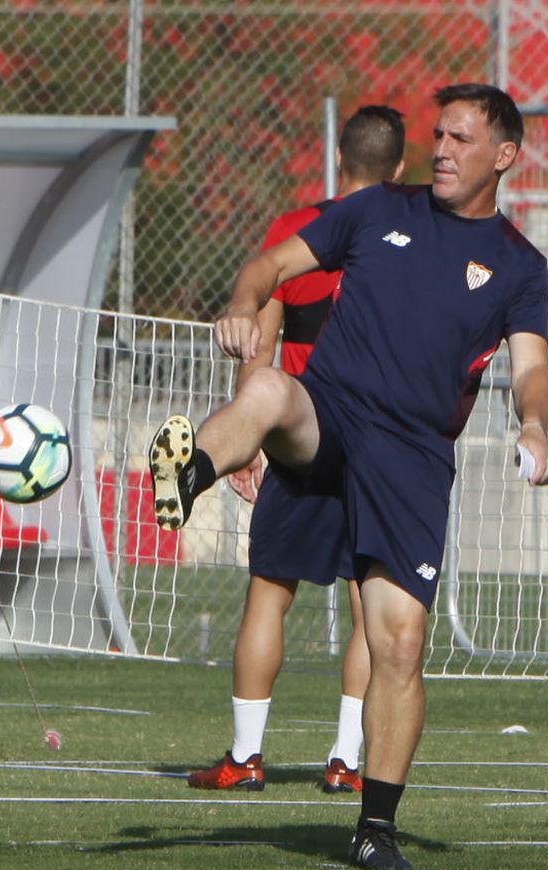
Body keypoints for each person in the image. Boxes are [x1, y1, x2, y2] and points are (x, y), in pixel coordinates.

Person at [150, 83, 548, 870]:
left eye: (462, 139)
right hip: (329, 416)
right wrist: (241, 301)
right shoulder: (375, 212)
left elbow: (531, 365)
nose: (442, 149)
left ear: (503, 157)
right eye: (438, 135)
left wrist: (534, 422)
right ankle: (190, 471)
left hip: (410, 458)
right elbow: (271, 264)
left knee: (400, 644)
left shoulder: (518, 264)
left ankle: (375, 828)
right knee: (265, 390)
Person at [188, 106, 406, 796]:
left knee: (269, 593)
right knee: (373, 602)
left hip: (302, 434)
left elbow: (260, 342)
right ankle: (346, 760)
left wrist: (248, 437)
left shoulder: (296, 234)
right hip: (381, 442)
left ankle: (245, 758)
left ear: (338, 160)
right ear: (400, 170)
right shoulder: (413, 239)